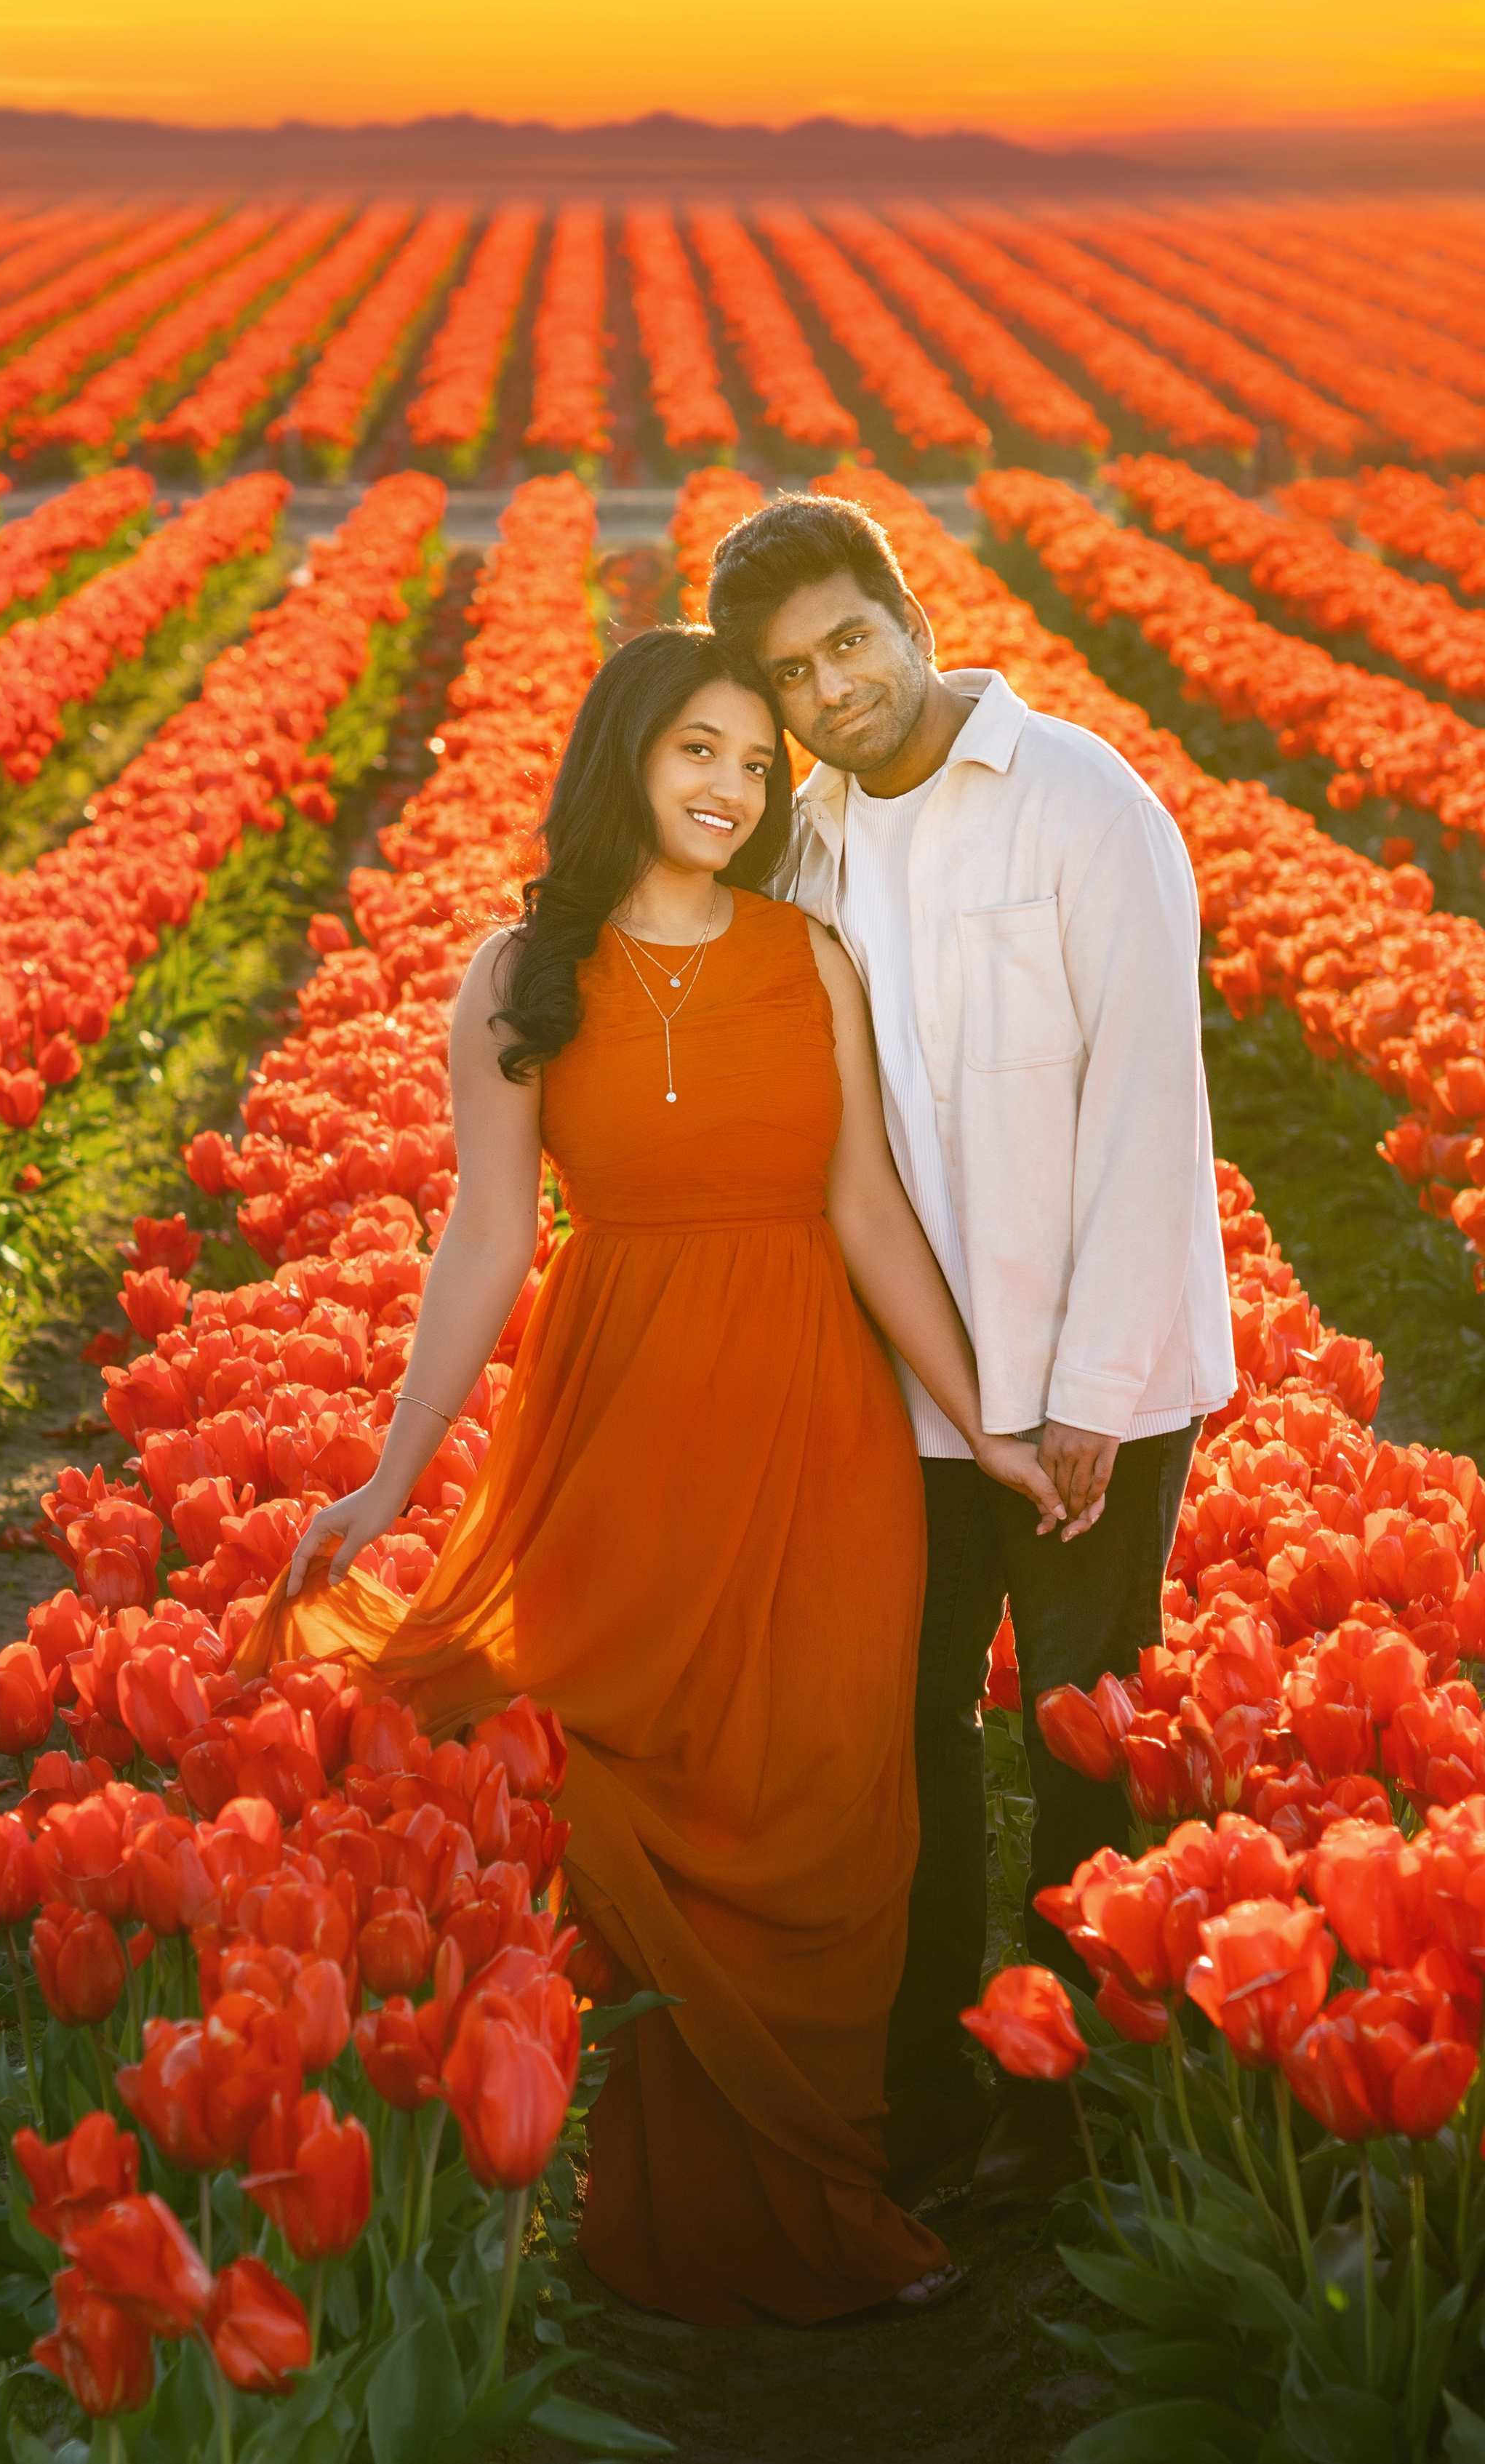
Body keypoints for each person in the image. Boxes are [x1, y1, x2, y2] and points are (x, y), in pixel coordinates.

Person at [239, 625, 1061, 2324]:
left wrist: (979, 1423)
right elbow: (485, 1238)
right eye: (700, 747)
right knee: (666, 1802)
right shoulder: (519, 973)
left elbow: (865, 1213)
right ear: (625, 750)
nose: (731, 787)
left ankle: (827, 2206)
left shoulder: (806, 953)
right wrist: (392, 1477)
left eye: (758, 764)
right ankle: (672, 2235)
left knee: (833, 1804)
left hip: (822, 1431)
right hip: (621, 1429)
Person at [705, 492, 1234, 2204]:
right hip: (904, 1387)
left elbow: (1152, 1104)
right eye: (791, 675)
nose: (832, 689)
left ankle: (1059, 2100)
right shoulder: (812, 842)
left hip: (1093, 1390)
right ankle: (926, 2077)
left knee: (1076, 1735)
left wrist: (1087, 1390)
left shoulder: (1084, 802)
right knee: (912, 1727)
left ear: (910, 617)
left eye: (848, 640)